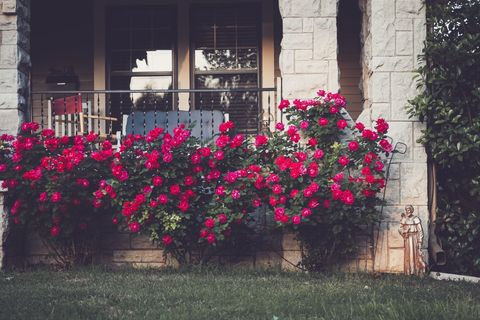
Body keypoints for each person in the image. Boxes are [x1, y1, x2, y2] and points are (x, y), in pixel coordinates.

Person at [398, 205, 426, 275]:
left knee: (415, 254)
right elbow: (400, 229)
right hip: (407, 238)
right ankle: (408, 271)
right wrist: (404, 232)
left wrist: (420, 241)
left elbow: (420, 231)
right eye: (407, 209)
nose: (408, 211)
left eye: (410, 209)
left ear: (412, 210)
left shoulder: (416, 219)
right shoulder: (404, 219)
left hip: (415, 238)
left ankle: (416, 271)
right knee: (407, 254)